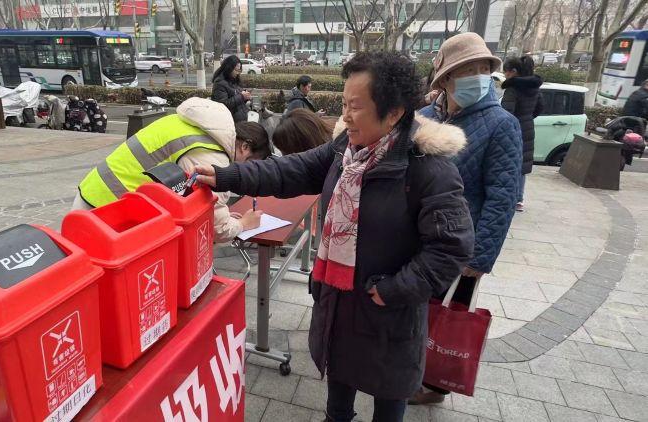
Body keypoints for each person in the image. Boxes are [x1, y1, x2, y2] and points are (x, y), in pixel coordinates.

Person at [193, 51, 474, 422]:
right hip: (340, 308)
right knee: (337, 405)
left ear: (393, 114)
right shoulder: (346, 150)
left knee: (388, 406)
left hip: (389, 316)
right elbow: (290, 170)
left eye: (355, 107)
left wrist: (392, 290)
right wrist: (230, 175)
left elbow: (451, 248)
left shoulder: (428, 171)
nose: (344, 116)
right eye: (343, 103)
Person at [415, 32, 522, 405]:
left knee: (448, 316)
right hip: (417, 238)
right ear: (444, 79)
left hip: (462, 243)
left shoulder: (501, 124)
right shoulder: (424, 118)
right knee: (419, 310)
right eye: (466, 69)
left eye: (482, 68)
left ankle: (435, 385)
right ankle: (412, 371)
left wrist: (479, 257)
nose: (477, 75)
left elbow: (503, 196)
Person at [74, 97, 271, 242]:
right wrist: (245, 224)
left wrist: (227, 215)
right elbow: (217, 228)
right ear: (245, 147)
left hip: (96, 193)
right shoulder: (212, 155)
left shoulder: (193, 124)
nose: (245, 172)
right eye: (250, 164)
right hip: (109, 211)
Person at [501, 55, 544, 212]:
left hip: (513, 128)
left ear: (513, 71)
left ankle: (509, 196)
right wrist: (527, 118)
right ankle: (519, 198)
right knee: (522, 164)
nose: (505, 75)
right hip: (528, 127)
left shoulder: (512, 89)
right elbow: (540, 107)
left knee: (508, 161)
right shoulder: (534, 87)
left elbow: (506, 112)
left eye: (505, 72)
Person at [211, 55, 252, 122]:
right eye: (236, 70)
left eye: (239, 70)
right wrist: (241, 96)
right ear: (229, 68)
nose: (238, 73)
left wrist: (245, 97)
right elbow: (223, 104)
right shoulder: (219, 83)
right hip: (229, 122)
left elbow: (236, 97)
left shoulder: (233, 79)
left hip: (240, 120)